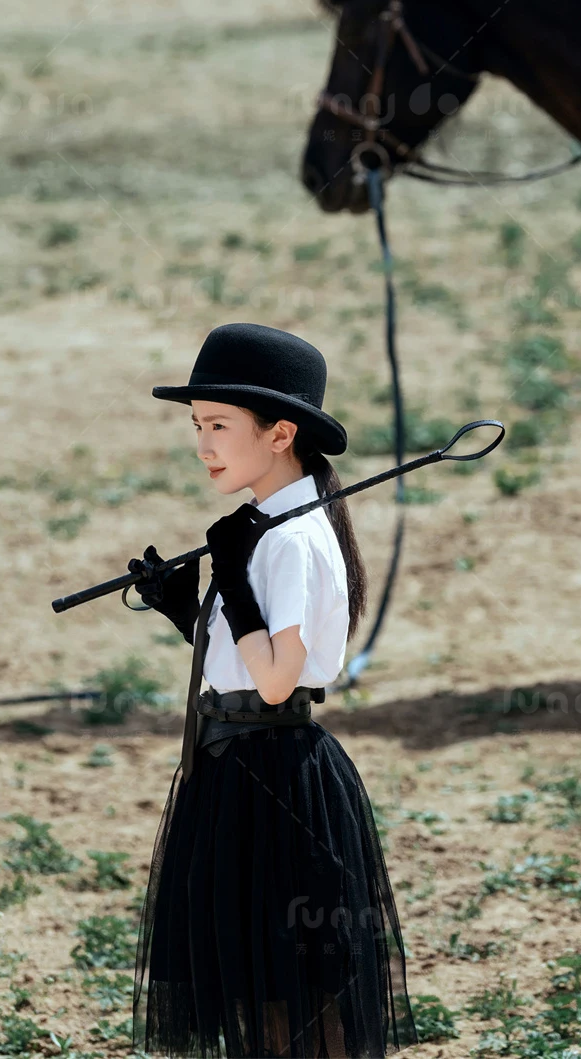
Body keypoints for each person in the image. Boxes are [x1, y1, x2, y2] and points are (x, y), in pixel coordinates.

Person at [129, 322, 418, 1058]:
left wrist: (231, 576)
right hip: (235, 764)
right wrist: (185, 611)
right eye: (197, 424)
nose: (204, 444)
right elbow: (240, 658)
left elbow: (279, 677)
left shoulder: (289, 537)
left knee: (288, 992)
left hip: (275, 777)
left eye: (220, 424)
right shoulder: (267, 525)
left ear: (281, 431)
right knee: (254, 989)